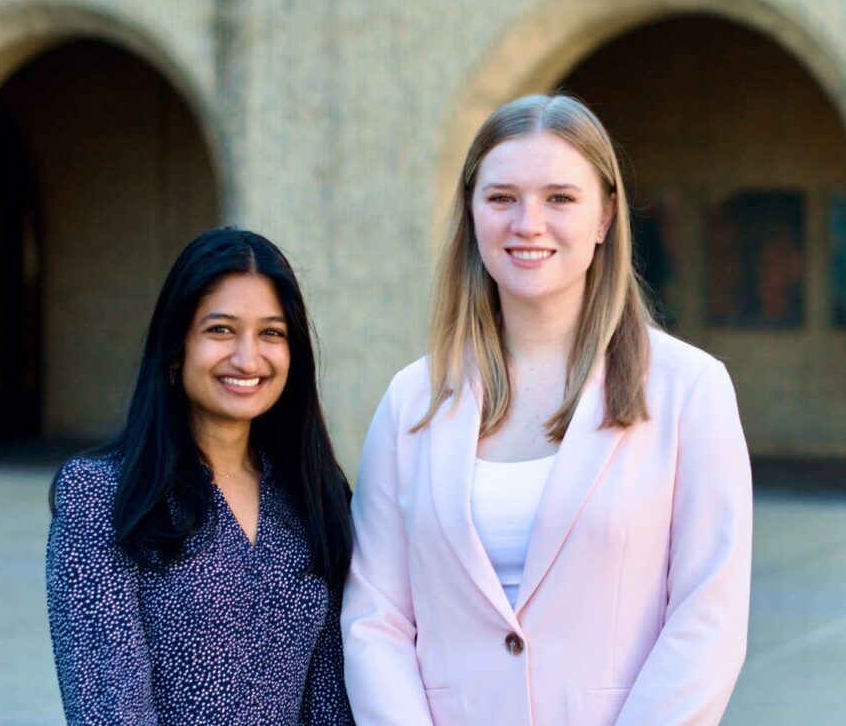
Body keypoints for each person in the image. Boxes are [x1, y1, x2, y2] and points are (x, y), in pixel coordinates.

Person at [341, 94, 752, 725]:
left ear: (606, 216)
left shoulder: (690, 391)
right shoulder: (410, 403)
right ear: (473, 213)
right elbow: (376, 618)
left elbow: (708, 618)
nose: (528, 223)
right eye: (502, 197)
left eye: (560, 197)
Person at [46, 228, 354, 725]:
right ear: (175, 347)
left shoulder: (315, 495)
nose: (247, 358)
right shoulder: (102, 496)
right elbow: (110, 708)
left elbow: (332, 701)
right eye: (221, 330)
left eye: (271, 333)